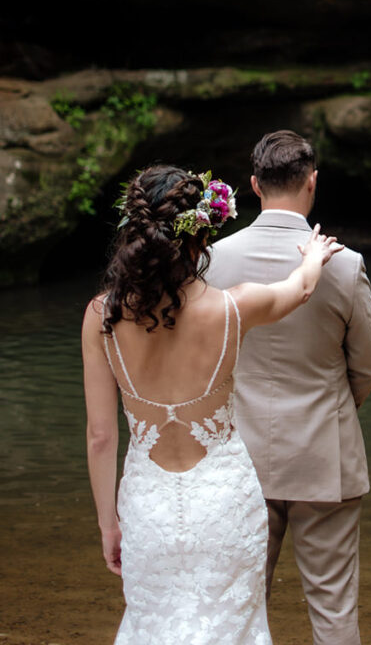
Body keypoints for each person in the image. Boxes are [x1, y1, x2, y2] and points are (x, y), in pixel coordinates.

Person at [82, 164, 342, 643]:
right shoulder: (232, 307)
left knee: (152, 625)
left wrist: (109, 524)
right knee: (231, 628)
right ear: (200, 235)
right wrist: (313, 255)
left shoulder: (102, 315)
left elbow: (100, 436)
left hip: (148, 505)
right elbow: (300, 289)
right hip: (225, 502)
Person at [204, 130, 371, 645]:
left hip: (239, 455)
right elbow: (367, 365)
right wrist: (335, 412)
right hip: (325, 453)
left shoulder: (212, 262)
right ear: (313, 182)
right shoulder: (344, 264)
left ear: (255, 186)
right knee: (333, 607)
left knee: (240, 603)